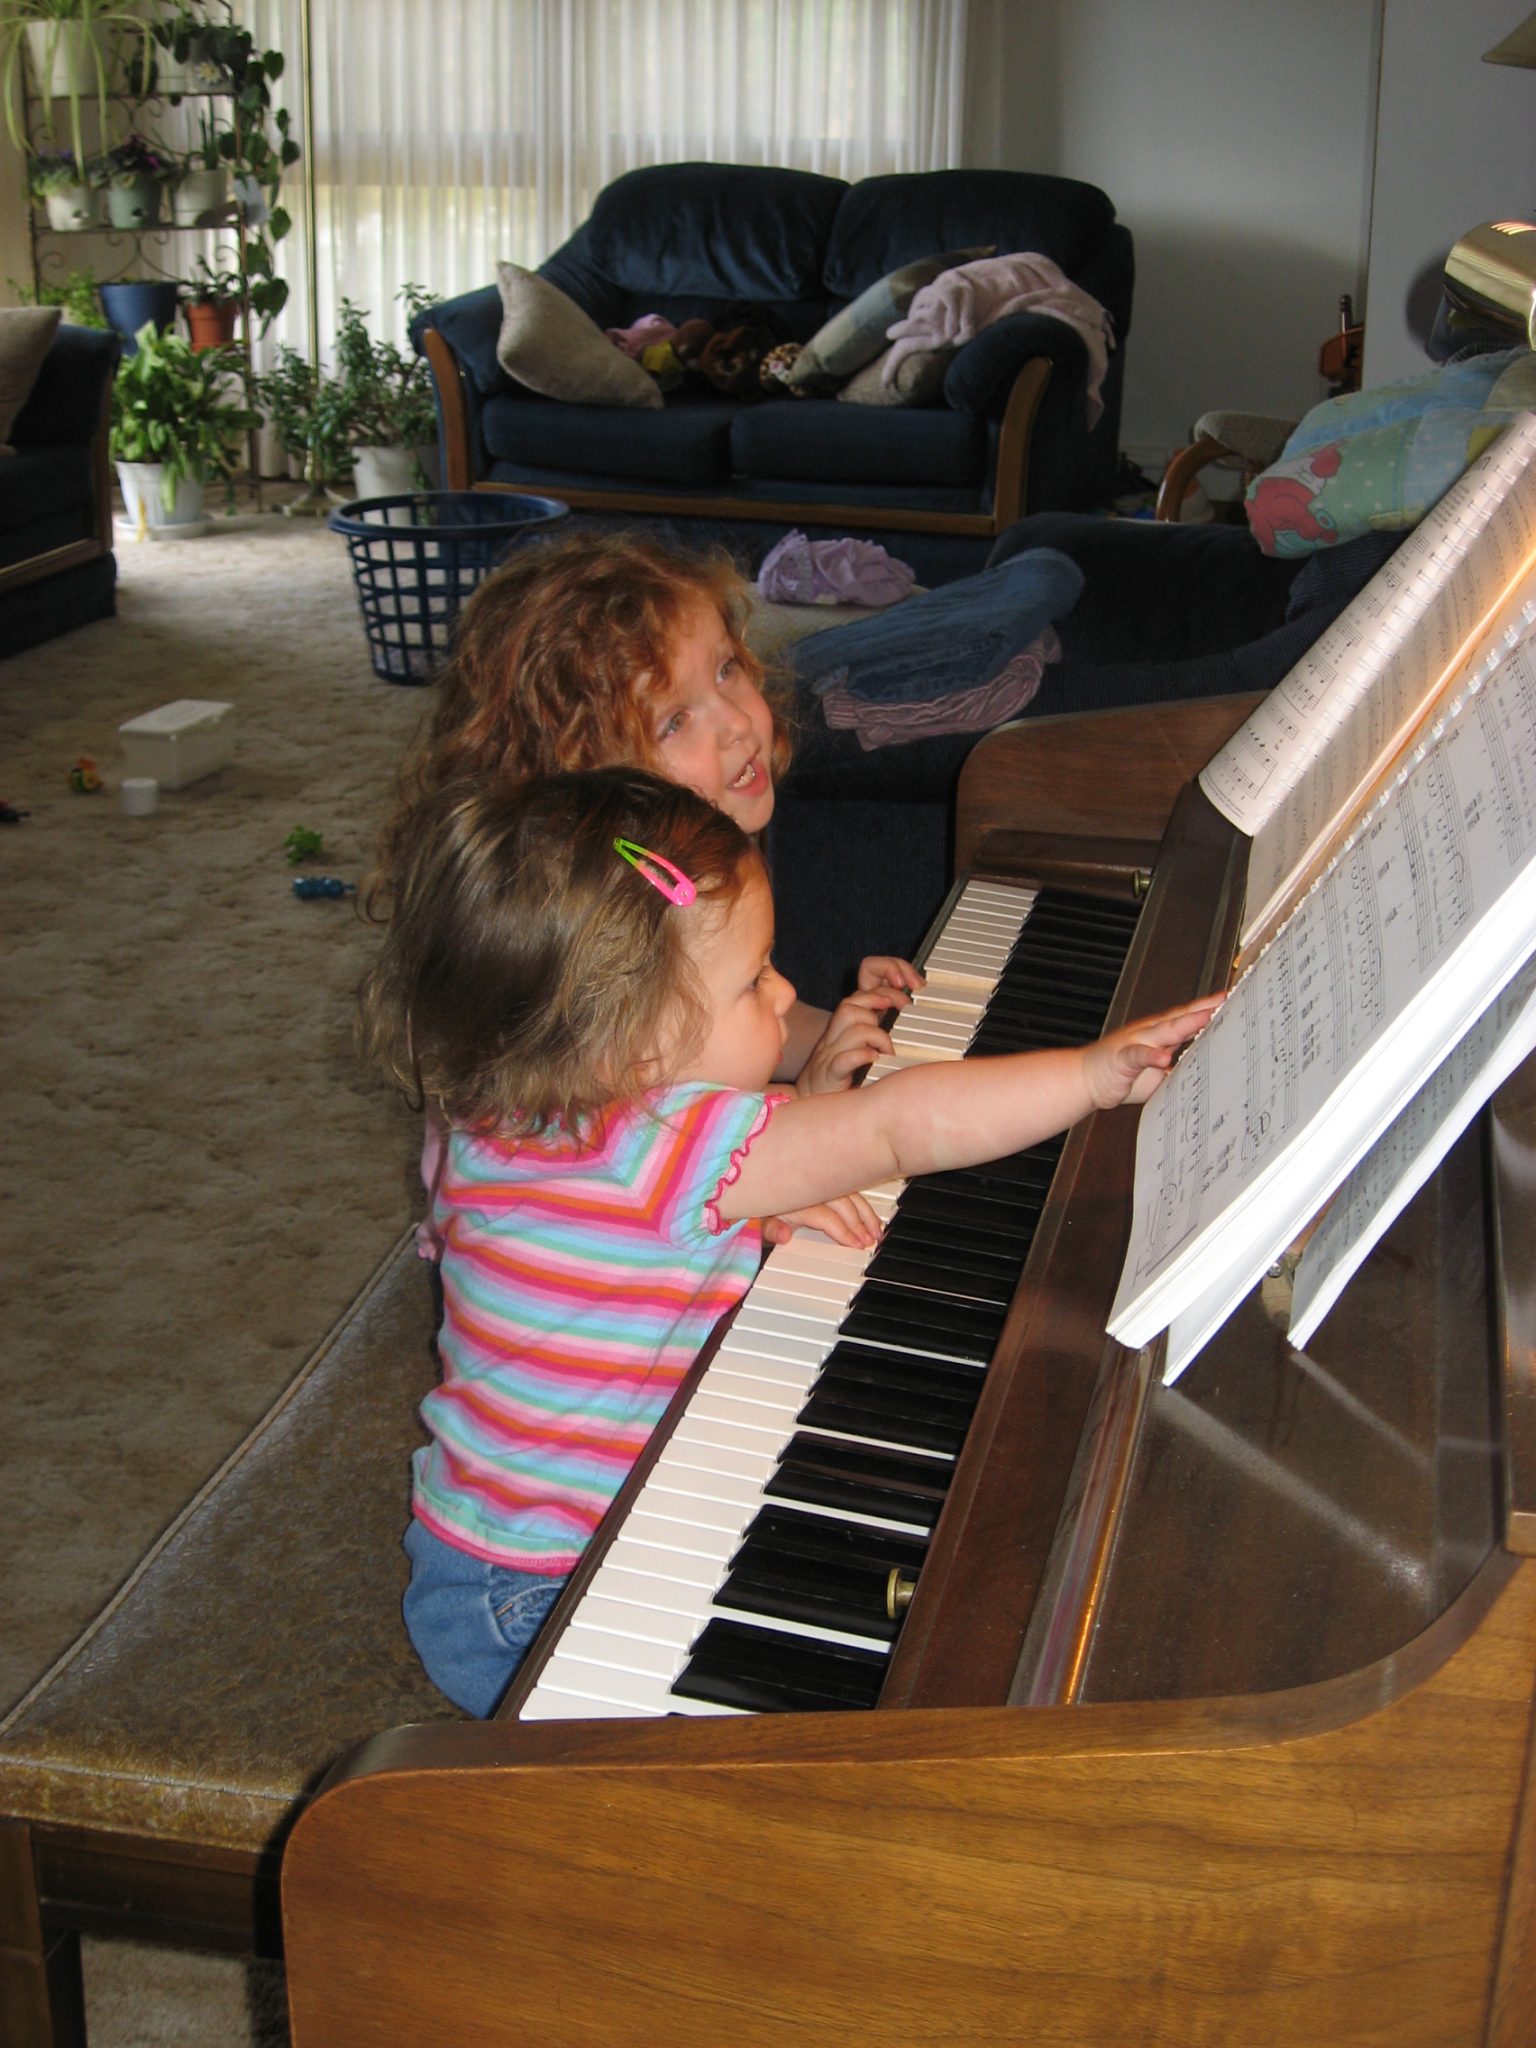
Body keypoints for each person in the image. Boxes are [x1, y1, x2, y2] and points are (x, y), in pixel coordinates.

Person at [357, 767, 1221, 1716]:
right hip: (541, 1593)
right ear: (624, 1050)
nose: (787, 992)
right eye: (752, 984)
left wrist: (764, 1173)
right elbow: (900, 1127)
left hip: (473, 1541)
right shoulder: (669, 1147)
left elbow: (571, 1234)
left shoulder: (493, 1105)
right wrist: (1091, 1078)